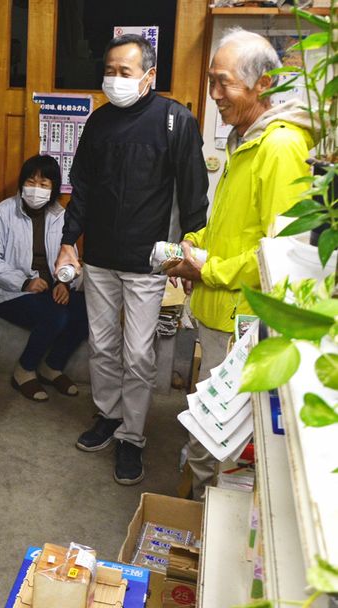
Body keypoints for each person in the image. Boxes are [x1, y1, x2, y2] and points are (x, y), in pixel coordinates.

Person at [166, 28, 315, 500]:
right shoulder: (243, 140)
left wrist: (207, 270)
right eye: (211, 80)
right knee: (207, 427)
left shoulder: (280, 148)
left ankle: (206, 523)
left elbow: (281, 253)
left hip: (240, 324)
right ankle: (198, 507)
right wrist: (193, 244)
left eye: (223, 83)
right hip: (215, 314)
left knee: (222, 440)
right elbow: (232, 225)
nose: (214, 94)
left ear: (262, 84)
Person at [54, 34, 209, 485]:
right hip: (99, 257)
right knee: (102, 346)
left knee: (139, 354)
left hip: (148, 261)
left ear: (149, 76)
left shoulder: (175, 122)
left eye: (125, 71)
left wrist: (192, 256)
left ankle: (132, 436)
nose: (115, 79)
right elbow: (80, 187)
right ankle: (107, 415)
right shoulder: (98, 124)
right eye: (110, 70)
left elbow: (194, 195)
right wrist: (69, 241)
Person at [0, 154, 89, 401]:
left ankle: (52, 366)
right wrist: (24, 282)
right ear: (22, 183)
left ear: (54, 188)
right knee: (56, 315)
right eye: (31, 181)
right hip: (10, 294)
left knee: (87, 311)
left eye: (44, 184)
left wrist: (64, 282)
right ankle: (25, 370)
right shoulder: (2, 214)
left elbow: (70, 258)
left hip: (50, 289)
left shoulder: (62, 216)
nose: (36, 189)